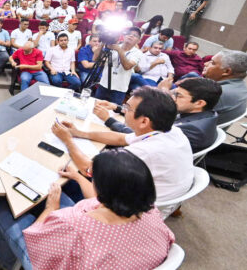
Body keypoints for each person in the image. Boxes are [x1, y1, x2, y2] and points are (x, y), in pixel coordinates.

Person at [0, 149, 174, 270]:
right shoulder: (149, 209)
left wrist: (51, 209)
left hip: (53, 254)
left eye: (92, 176)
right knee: (63, 197)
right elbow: (95, 199)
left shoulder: (73, 226)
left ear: (102, 189)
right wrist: (77, 177)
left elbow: (35, 237)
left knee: (1, 208)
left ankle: (5, 262)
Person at [54, 86, 193, 218]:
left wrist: (68, 140)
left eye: (128, 108)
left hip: (131, 213)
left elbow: (88, 170)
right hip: (153, 197)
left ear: (144, 121)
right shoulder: (171, 131)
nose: (124, 110)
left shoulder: (141, 153)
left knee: (58, 186)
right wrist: (80, 133)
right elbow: (122, 138)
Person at [96, 77, 221, 153]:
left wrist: (108, 119)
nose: (172, 97)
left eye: (178, 95)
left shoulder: (192, 130)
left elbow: (139, 136)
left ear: (199, 103)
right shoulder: (203, 114)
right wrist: (117, 108)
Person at [94, 27, 143, 104]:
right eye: (128, 34)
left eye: (135, 35)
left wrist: (119, 50)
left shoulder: (137, 53)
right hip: (103, 85)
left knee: (113, 114)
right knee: (96, 108)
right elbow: (95, 59)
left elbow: (127, 66)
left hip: (119, 90)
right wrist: (103, 43)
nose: (130, 36)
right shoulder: (113, 46)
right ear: (123, 36)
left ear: (139, 41)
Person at [199, 50, 247, 124]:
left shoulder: (215, 93)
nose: (205, 63)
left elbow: (178, 115)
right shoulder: (242, 89)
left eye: (212, 63)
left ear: (227, 72)